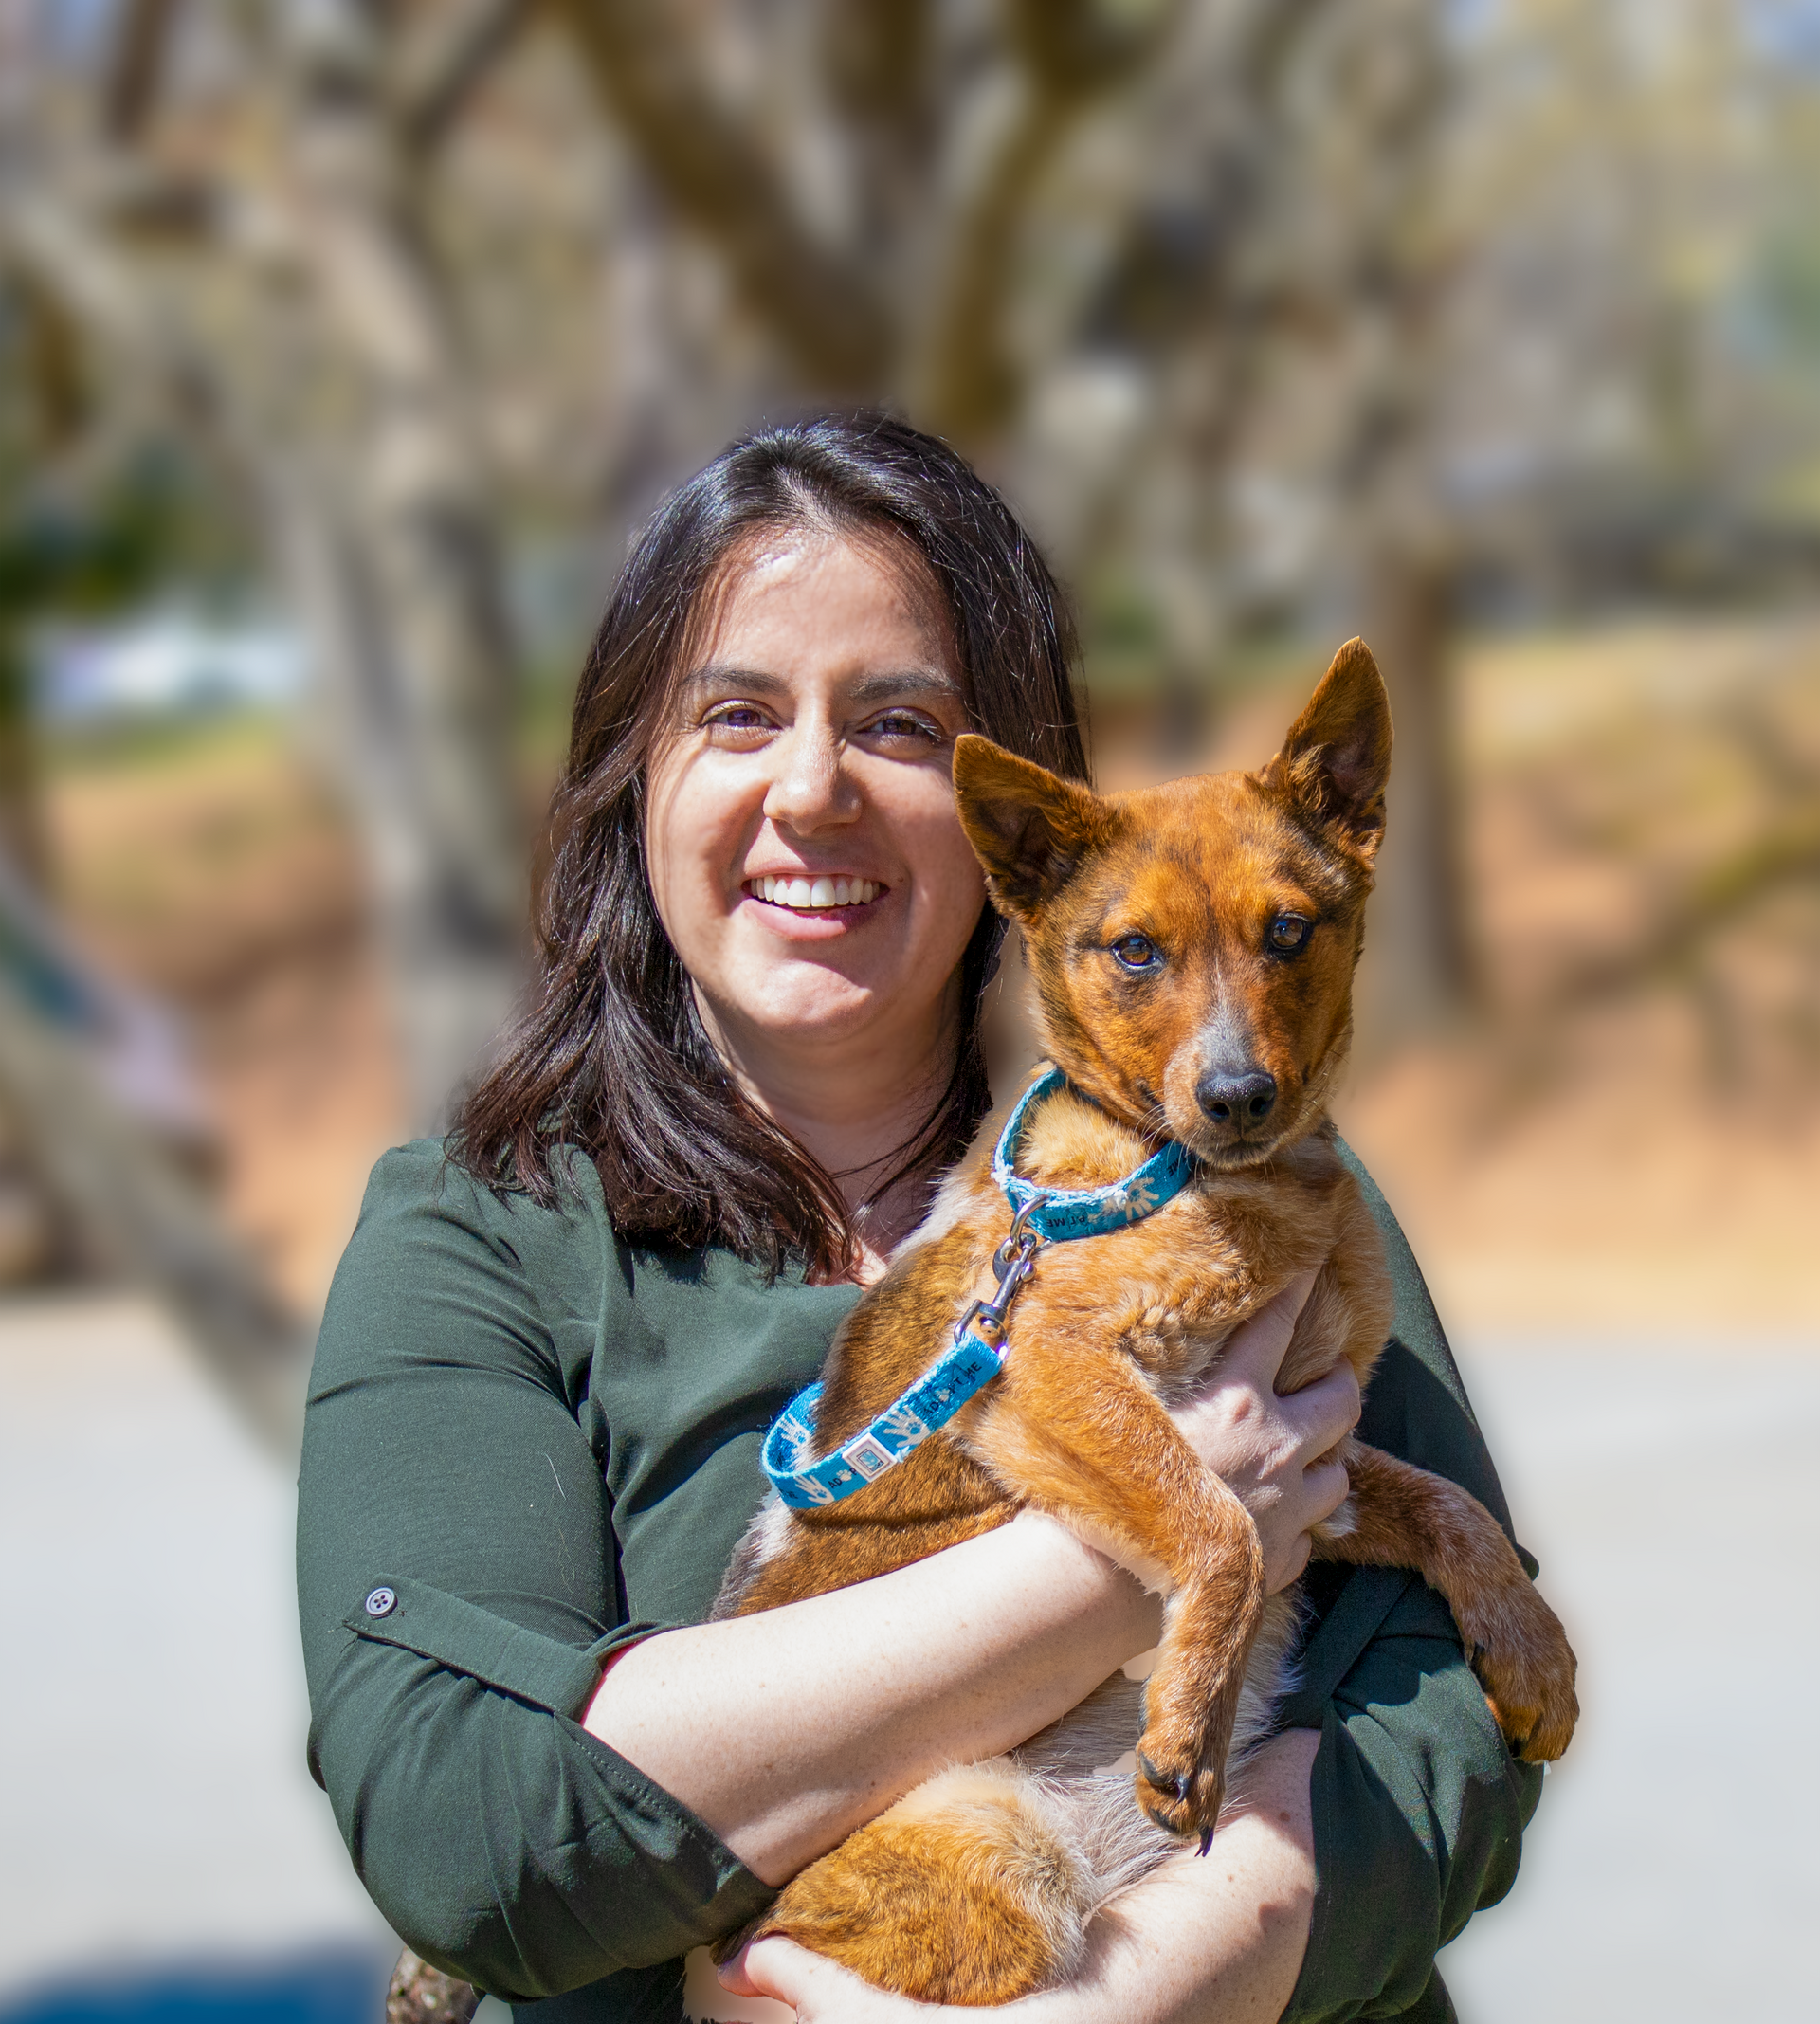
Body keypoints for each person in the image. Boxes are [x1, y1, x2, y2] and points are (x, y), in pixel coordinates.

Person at [297, 415, 1542, 2024]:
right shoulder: (487, 1236)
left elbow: (1454, 1727)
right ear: (635, 772)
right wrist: (1147, 1546)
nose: (810, 788)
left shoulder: (1252, 1176)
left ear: (1006, 814)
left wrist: (1131, 1996)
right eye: (735, 711)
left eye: (897, 723)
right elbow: (471, 1834)